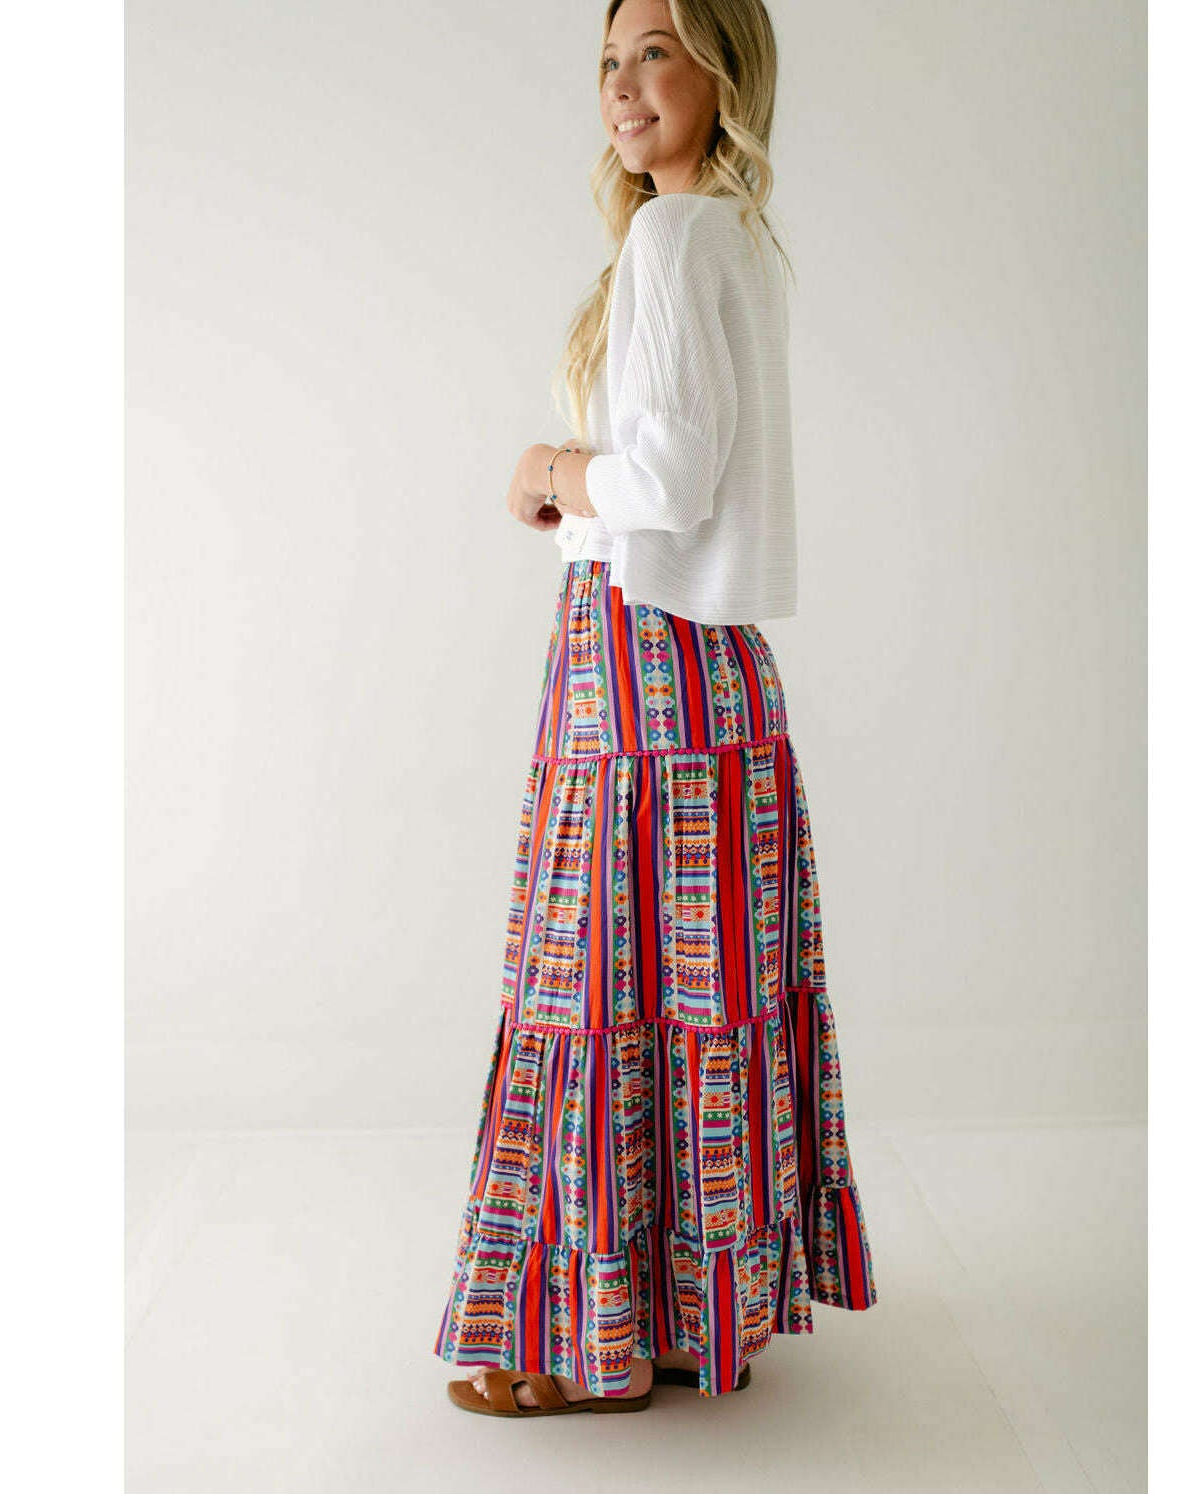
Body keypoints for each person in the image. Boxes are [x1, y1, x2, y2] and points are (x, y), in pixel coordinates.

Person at [433, 0, 878, 1417]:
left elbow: (671, 483)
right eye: (609, 61)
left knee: (601, 988)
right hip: (714, 678)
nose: (623, 86)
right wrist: (584, 493)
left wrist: (551, 468)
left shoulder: (673, 238)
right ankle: (690, 1319)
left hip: (642, 675)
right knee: (698, 995)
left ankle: (599, 1343)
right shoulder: (734, 234)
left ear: (723, 72)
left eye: (656, 53)